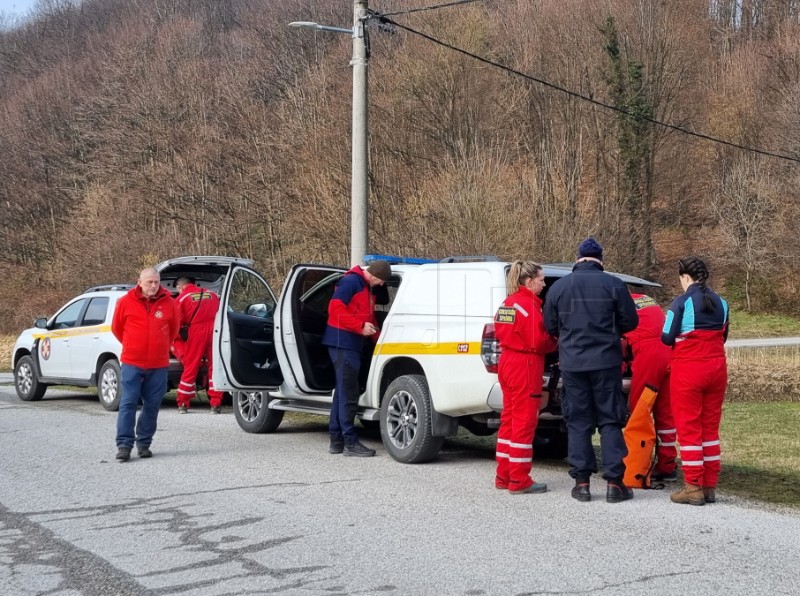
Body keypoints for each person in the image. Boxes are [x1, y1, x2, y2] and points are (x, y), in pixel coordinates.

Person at [543, 238, 639, 503]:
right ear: (600, 259)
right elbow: (630, 321)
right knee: (610, 419)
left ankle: (582, 483)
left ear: (578, 258)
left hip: (573, 364)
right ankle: (614, 483)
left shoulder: (560, 287)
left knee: (578, 421)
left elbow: (550, 326)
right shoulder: (614, 284)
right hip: (606, 362)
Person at [662, 256, 729, 506]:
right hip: (717, 368)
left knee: (689, 427)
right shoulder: (723, 303)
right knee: (710, 429)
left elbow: (667, 338)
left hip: (689, 368)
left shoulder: (681, 302)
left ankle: (692, 486)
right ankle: (710, 486)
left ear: (684, 277)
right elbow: (723, 337)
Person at [493, 261, 558, 494]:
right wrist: (556, 342)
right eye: (541, 279)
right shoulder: (527, 306)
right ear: (529, 282)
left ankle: (504, 475)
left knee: (509, 420)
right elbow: (539, 341)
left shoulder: (507, 304)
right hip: (525, 364)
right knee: (524, 422)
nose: (544, 283)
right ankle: (519, 479)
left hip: (507, 362)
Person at [321, 260, 392, 457]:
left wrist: (377, 339)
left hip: (349, 343)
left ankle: (336, 440)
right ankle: (350, 442)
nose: (381, 286)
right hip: (342, 343)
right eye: (381, 282)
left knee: (342, 393)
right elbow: (335, 310)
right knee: (349, 393)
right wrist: (359, 327)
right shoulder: (352, 282)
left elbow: (369, 317)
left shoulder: (365, 286)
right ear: (376, 276)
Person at [112, 268, 180, 462]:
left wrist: (161, 348)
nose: (153, 286)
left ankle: (144, 443)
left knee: (152, 404)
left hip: (158, 364)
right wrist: (133, 346)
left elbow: (174, 329)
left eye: (156, 282)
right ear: (140, 282)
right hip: (132, 362)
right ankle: (124, 445)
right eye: (149, 282)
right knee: (128, 401)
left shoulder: (169, 303)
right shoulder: (125, 302)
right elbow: (117, 328)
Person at [625, 291, 678, 482]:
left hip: (648, 356)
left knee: (640, 411)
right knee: (666, 414)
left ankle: (639, 466)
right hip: (670, 352)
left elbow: (616, 340)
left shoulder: (620, 304)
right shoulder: (646, 298)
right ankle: (668, 465)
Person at [174, 276, 224, 414]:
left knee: (191, 365)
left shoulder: (182, 298)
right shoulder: (213, 294)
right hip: (216, 330)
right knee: (215, 367)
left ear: (180, 287)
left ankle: (183, 402)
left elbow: (177, 322)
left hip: (197, 331)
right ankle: (216, 403)